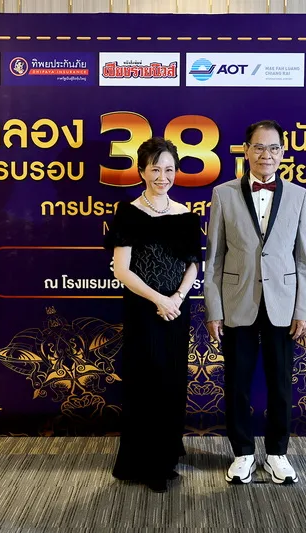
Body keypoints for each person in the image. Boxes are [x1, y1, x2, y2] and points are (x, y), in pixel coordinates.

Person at [204, 119, 306, 485]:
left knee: (280, 384)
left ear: (283, 153)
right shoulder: (223, 193)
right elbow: (214, 257)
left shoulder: (299, 195)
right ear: (246, 151)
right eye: (259, 147)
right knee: (237, 383)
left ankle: (277, 454)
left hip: (283, 305)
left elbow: (304, 259)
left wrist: (304, 310)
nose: (267, 155)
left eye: (274, 148)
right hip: (237, 302)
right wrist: (214, 309)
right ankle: (243, 453)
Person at [104, 137, 202, 493]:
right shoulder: (128, 213)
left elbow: (194, 265)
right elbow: (122, 270)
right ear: (142, 171)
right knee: (144, 383)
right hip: (143, 310)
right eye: (156, 169)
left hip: (176, 311)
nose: (163, 177)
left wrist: (176, 298)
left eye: (169, 169)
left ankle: (165, 457)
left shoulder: (186, 215)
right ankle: (141, 463)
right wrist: (159, 299)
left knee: (171, 382)